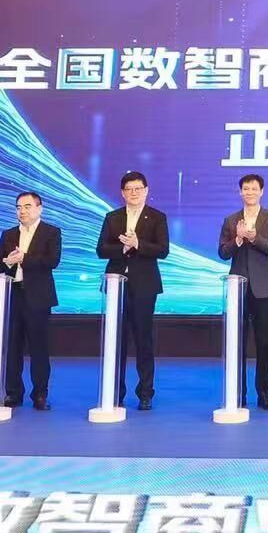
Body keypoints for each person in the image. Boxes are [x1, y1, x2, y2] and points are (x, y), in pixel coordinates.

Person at [96, 171, 169, 410]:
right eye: (129, 189)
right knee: (115, 340)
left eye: (138, 189)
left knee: (143, 340)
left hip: (145, 286)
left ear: (146, 191)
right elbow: (101, 249)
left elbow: (163, 250)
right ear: (122, 193)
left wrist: (138, 244)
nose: (133, 193)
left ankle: (145, 393)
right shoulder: (112, 217)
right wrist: (123, 248)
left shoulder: (157, 217)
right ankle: (115, 392)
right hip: (116, 285)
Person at [217, 173, 268, 410]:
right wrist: (237, 239)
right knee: (238, 341)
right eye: (246, 189)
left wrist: (255, 238)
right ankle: (238, 392)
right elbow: (223, 253)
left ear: (261, 191)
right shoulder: (230, 220)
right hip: (238, 287)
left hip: (264, 288)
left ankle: (263, 393)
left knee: (264, 342)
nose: (250, 192)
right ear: (240, 192)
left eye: (254, 188)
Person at [0, 191, 62, 410]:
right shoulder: (9, 234)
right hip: (13, 295)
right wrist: (8, 261)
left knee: (39, 348)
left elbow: (52, 261)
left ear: (39, 208)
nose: (22, 211)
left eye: (27, 206)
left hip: (38, 297)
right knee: (13, 347)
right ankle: (13, 393)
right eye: (19, 207)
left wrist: (25, 258)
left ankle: (40, 394)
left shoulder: (51, 232)